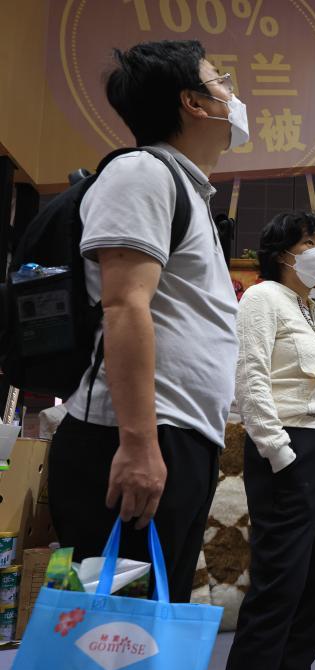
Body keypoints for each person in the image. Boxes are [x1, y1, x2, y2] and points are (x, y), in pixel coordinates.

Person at [48, 40, 244, 601]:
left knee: (150, 625)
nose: (232, 94)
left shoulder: (188, 190)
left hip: (177, 435)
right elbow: (124, 304)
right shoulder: (142, 173)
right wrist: (138, 444)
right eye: (220, 80)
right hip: (131, 435)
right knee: (110, 630)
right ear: (193, 102)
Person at [224, 212, 315, 670]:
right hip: (294, 445)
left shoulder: (313, 311)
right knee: (279, 583)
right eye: (310, 244)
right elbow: (250, 375)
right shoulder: (262, 297)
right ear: (283, 254)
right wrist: (277, 449)